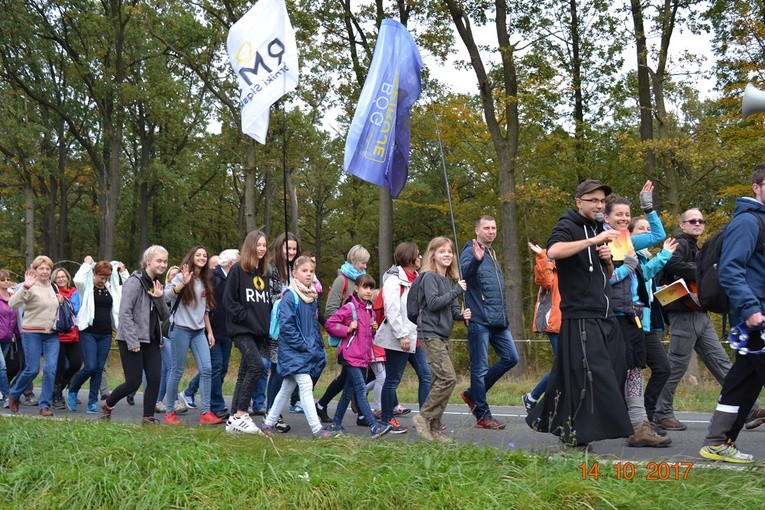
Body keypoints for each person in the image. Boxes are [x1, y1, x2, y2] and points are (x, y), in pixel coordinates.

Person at [525, 179, 633, 446]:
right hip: (580, 314)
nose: (598, 205)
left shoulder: (598, 228)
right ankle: (578, 437)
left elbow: (604, 277)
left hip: (604, 313)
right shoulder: (568, 225)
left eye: (601, 201)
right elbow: (554, 251)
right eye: (593, 200)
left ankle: (553, 418)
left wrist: (607, 261)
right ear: (579, 202)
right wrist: (592, 240)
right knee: (591, 375)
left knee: (617, 367)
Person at [700, 165, 765, 463]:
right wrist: (750, 309)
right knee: (745, 377)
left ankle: (717, 441)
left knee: (744, 379)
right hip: (755, 315)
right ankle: (717, 441)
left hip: (757, 314)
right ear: (756, 186)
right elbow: (730, 269)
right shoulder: (749, 223)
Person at [652, 209, 734, 431]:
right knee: (676, 365)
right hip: (684, 313)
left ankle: (745, 406)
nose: (698, 224)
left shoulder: (697, 247)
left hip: (700, 313)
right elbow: (671, 263)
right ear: (682, 224)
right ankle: (661, 413)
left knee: (720, 361)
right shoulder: (679, 243)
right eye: (692, 221)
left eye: (701, 221)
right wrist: (703, 272)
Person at [603, 189, 671, 448]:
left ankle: (639, 425)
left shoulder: (627, 240)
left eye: (627, 214)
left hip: (635, 316)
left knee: (633, 370)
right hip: (615, 316)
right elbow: (604, 281)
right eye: (618, 214)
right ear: (606, 217)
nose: (623, 218)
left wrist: (649, 208)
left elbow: (657, 236)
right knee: (615, 371)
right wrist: (625, 269)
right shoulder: (602, 240)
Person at [260, 255, 339, 438]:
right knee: (305, 384)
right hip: (292, 351)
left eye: (311, 271)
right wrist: (303, 345)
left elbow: (312, 327)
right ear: (295, 273)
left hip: (304, 351)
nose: (309, 274)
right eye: (304, 271)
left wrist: (314, 347)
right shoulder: (290, 296)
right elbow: (287, 326)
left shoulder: (311, 297)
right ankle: (316, 429)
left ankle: (268, 423)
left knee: (287, 387)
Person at [459, 215, 519, 429]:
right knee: (479, 368)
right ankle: (483, 416)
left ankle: (473, 394)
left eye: (493, 228)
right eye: (486, 228)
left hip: (498, 320)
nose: (491, 231)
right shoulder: (471, 250)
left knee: (511, 358)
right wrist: (476, 259)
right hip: (480, 319)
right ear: (477, 230)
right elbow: (464, 275)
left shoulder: (492, 253)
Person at [411, 237, 471, 443]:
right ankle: (423, 417)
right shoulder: (429, 277)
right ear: (433, 255)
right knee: (448, 378)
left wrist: (462, 314)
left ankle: (434, 428)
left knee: (439, 380)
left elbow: (451, 309)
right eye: (441, 251)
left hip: (444, 334)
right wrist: (457, 290)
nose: (447, 254)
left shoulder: (448, 281)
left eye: (449, 251)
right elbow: (434, 303)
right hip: (429, 332)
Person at [101, 246, 170, 424]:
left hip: (152, 339)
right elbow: (125, 313)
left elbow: (165, 316)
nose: (163, 265)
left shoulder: (156, 284)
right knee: (133, 382)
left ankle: (148, 417)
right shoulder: (134, 282)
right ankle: (107, 404)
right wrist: (132, 342)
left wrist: (159, 297)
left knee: (155, 379)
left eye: (165, 261)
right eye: (159, 261)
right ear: (148, 261)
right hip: (131, 339)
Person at [316, 244, 379, 425]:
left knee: (347, 379)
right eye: (362, 263)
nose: (365, 266)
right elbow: (331, 309)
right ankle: (364, 417)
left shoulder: (363, 282)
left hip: (361, 341)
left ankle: (324, 407)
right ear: (354, 261)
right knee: (354, 380)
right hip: (349, 338)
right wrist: (349, 325)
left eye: (366, 263)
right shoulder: (342, 280)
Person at [323, 273, 391, 438]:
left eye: (371, 288)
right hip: (350, 356)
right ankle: (374, 426)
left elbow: (366, 337)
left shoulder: (369, 311)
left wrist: (373, 328)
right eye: (365, 287)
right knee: (361, 389)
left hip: (363, 357)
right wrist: (346, 329)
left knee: (348, 391)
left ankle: (336, 424)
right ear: (357, 288)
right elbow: (330, 324)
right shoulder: (349, 308)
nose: (368, 291)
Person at [374, 242, 432, 434]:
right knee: (393, 379)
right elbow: (392, 310)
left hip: (414, 337)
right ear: (409, 257)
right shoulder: (394, 280)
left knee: (426, 376)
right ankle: (386, 419)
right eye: (418, 254)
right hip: (399, 339)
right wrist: (402, 336)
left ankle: (426, 419)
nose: (421, 257)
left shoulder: (416, 278)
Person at [163, 245, 222, 426]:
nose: (202, 257)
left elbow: (204, 310)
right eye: (199, 255)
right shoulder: (181, 276)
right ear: (192, 257)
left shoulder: (205, 280)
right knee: (177, 370)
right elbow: (166, 296)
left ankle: (205, 413)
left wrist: (210, 332)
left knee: (207, 369)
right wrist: (182, 284)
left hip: (198, 332)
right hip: (180, 329)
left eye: (205, 255)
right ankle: (169, 412)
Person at [182, 248, 240, 420]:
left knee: (221, 369)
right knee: (214, 367)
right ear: (231, 263)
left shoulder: (232, 279)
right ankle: (216, 406)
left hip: (227, 331)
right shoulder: (214, 277)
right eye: (238, 261)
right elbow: (206, 304)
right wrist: (208, 330)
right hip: (211, 330)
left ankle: (191, 392)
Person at [222, 232, 271, 434]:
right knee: (256, 365)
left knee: (244, 372)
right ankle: (242, 413)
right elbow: (228, 301)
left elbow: (264, 303)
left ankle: (233, 420)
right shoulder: (237, 270)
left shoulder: (263, 273)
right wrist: (245, 316)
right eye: (258, 244)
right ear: (250, 246)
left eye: (264, 245)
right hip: (241, 329)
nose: (261, 248)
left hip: (259, 331)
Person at [67, 258, 126, 413]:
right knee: (90, 366)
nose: (103, 280)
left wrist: (123, 271)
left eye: (106, 277)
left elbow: (126, 287)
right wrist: (86, 264)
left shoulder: (110, 288)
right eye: (101, 277)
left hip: (106, 333)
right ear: (95, 273)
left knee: (99, 369)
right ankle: (73, 389)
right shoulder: (85, 288)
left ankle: (92, 402)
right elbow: (77, 279)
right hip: (88, 332)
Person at [629, 217, 674, 424]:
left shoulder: (645, 257)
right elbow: (641, 277)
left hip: (646, 326)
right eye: (641, 229)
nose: (646, 233)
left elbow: (646, 286)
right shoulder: (628, 254)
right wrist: (664, 255)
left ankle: (646, 416)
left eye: (648, 229)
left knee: (663, 368)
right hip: (630, 323)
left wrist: (661, 292)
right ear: (630, 233)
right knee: (628, 373)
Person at [7, 256, 61, 416]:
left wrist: (61, 300)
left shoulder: (53, 287)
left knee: (51, 369)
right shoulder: (29, 286)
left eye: (47, 269)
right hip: (32, 332)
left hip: (52, 334)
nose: (45, 271)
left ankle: (44, 405)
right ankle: (14, 393)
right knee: (32, 369)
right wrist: (25, 287)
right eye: (41, 268)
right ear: (35, 271)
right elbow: (12, 304)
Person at [522, 242, 560, 413]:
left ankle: (534, 398)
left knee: (568, 366)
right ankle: (535, 398)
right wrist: (542, 257)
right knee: (562, 365)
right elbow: (544, 281)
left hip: (572, 322)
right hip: (555, 323)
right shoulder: (549, 261)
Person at [51, 267, 82, 410]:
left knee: (76, 363)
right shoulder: (52, 291)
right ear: (54, 279)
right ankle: (56, 396)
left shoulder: (74, 292)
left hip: (72, 333)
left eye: (63, 276)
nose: (61, 279)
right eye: (58, 277)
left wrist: (65, 302)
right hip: (57, 334)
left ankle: (59, 388)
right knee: (59, 365)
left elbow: (77, 310)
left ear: (68, 278)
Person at [0, 269, 20, 408]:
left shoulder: (13, 296)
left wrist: (18, 335)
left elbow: (15, 318)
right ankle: (8, 396)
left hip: (7, 338)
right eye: (3, 280)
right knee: (2, 368)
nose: (6, 281)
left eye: (8, 279)